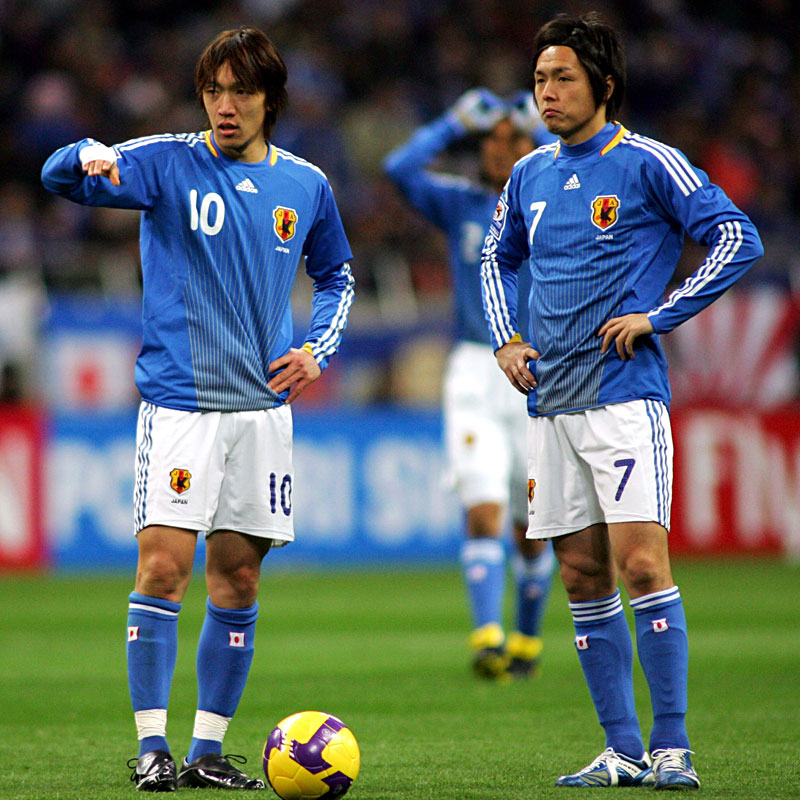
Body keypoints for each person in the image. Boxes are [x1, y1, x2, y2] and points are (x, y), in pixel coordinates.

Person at [42, 28, 355, 792]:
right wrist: (84, 152)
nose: (224, 105)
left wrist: (317, 348)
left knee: (238, 579)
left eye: (241, 91)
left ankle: (207, 752)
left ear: (270, 99)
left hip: (262, 411)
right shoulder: (167, 161)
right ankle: (152, 748)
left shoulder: (306, 184)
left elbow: (338, 275)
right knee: (161, 567)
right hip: (181, 406)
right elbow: (61, 176)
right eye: (213, 90)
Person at [481, 12, 762, 790]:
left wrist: (658, 316)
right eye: (539, 79)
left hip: (622, 398)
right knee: (579, 575)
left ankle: (673, 747)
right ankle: (623, 750)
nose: (547, 92)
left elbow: (737, 237)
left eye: (563, 78)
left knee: (641, 564)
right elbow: (494, 257)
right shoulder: (528, 174)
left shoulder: (647, 162)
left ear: (604, 85)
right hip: (551, 402)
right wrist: (506, 340)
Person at [384, 90, 556, 680]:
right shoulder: (461, 203)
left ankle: (526, 640)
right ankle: (488, 639)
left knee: (533, 525)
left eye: (512, 139)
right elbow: (398, 169)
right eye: (489, 139)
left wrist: (547, 132)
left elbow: (589, 166)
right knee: (483, 508)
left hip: (535, 372)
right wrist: (451, 122)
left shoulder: (552, 197)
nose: (498, 149)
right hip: (473, 368)